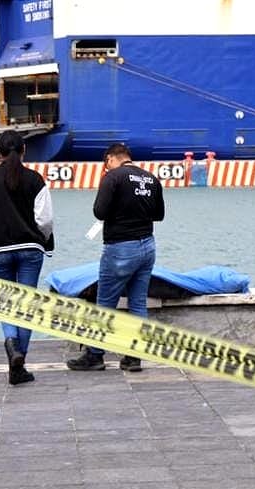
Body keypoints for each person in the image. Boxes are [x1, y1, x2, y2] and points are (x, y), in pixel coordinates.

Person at [66, 143, 164, 373]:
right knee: (138, 302)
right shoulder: (150, 178)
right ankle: (133, 357)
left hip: (120, 247)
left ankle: (95, 355)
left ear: (111, 159)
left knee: (105, 302)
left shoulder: (113, 178)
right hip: (147, 246)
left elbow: (99, 212)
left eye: (105, 164)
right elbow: (158, 214)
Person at [0, 130, 54, 385]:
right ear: (23, 151)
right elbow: (45, 220)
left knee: (6, 303)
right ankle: (19, 364)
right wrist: (43, 239)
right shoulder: (35, 179)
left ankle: (10, 342)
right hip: (31, 249)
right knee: (27, 306)